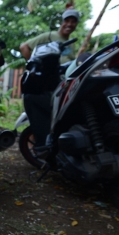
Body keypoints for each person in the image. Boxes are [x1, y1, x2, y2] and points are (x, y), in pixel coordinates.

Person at [19, 9, 80, 150]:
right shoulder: (50, 36)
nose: (69, 24)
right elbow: (24, 47)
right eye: (67, 21)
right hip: (45, 83)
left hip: (60, 84)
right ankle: (37, 149)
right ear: (62, 22)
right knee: (39, 114)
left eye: (73, 21)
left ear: (76, 24)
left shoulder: (70, 43)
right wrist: (36, 65)